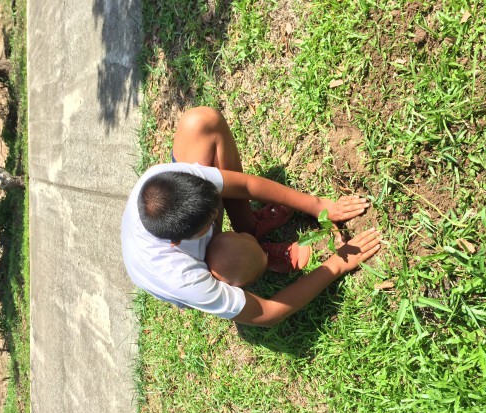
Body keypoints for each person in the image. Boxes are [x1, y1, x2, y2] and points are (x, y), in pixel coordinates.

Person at [121, 107, 382, 327]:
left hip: (180, 221)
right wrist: (337, 265)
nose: (218, 213)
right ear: (178, 242)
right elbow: (268, 313)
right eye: (210, 222)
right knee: (234, 256)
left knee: (202, 121)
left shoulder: (163, 181)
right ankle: (261, 256)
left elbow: (244, 185)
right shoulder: (182, 277)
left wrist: (318, 205)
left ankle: (250, 226)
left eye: (214, 203)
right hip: (190, 263)